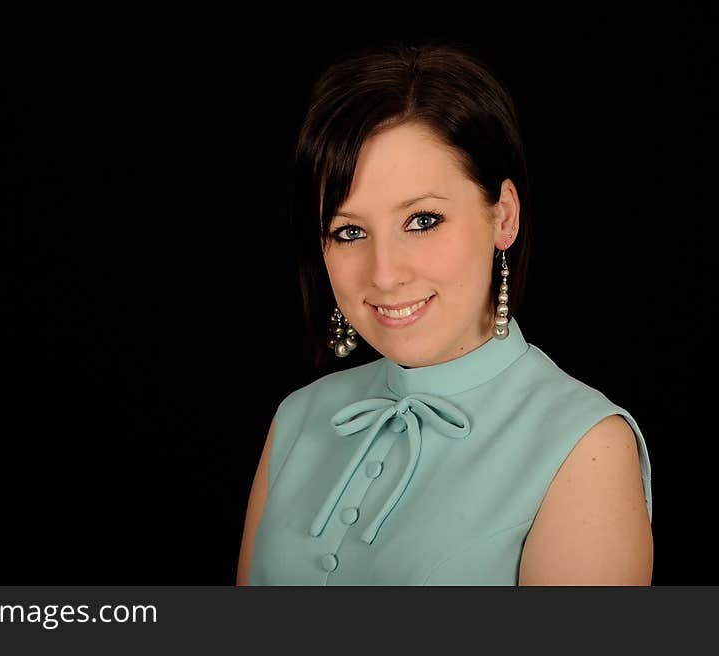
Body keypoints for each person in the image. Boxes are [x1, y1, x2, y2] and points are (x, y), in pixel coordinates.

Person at [236, 40, 653, 585]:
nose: (384, 274)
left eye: (422, 220)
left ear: (503, 216)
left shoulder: (584, 445)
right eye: (350, 231)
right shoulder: (299, 418)